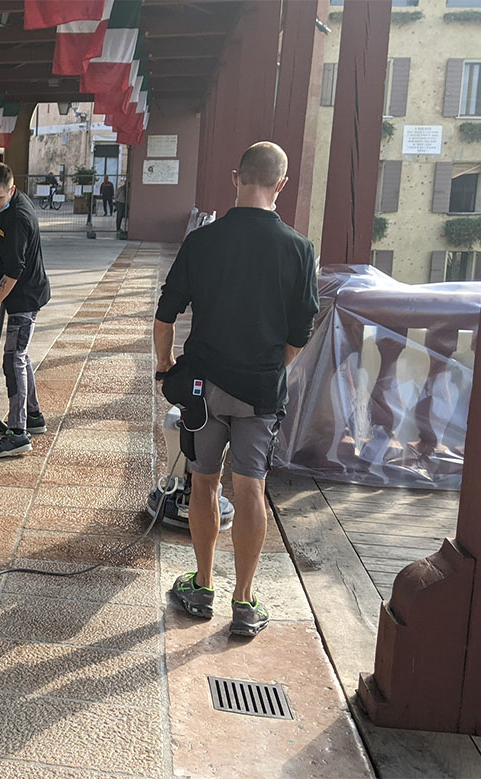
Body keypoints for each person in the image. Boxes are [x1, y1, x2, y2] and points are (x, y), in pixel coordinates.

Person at [155, 141, 318, 637]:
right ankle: (244, 602)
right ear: (281, 185)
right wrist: (273, 367)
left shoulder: (203, 241)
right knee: (251, 490)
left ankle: (201, 585)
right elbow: (300, 331)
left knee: (203, 481)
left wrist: (165, 368)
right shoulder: (298, 248)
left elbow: (166, 313)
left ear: (235, 177)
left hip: (204, 388)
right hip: (260, 392)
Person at [0, 162, 51, 457]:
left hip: (25, 297)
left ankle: (19, 432)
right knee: (20, 356)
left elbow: (14, 273)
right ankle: (33, 417)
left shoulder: (19, 217)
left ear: (12, 189)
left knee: (13, 359)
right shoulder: (10, 209)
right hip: (20, 294)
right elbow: (5, 264)